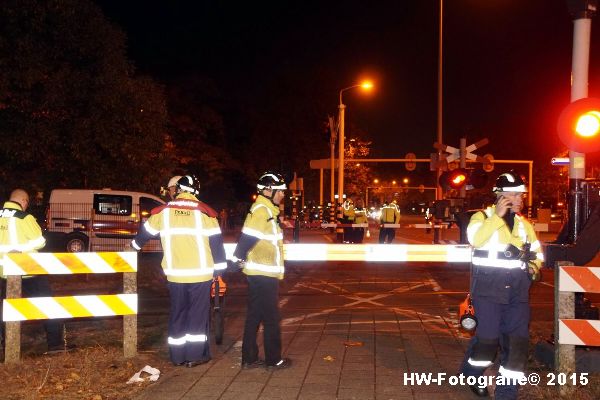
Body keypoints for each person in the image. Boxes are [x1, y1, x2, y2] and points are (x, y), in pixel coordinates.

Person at [459, 172, 543, 399]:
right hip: (488, 290)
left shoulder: (525, 225)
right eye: (515, 194)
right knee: (488, 340)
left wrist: (533, 268)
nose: (520, 199)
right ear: (500, 196)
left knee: (517, 345)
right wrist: (497, 216)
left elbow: (537, 254)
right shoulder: (481, 217)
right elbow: (475, 239)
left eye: (521, 195)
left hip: (518, 292)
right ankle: (471, 373)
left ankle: (507, 393)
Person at [129, 175, 227, 368]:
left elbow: (142, 236)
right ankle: (195, 356)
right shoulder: (206, 214)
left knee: (178, 313)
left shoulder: (163, 213)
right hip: (201, 274)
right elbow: (218, 249)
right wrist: (219, 274)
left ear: (178, 190)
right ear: (195, 192)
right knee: (197, 316)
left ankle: (177, 356)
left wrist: (132, 248)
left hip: (175, 275)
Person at [0, 189, 72, 354]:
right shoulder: (24, 217)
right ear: (24, 201)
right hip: (27, 271)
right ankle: (55, 345)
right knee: (48, 305)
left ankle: (5, 344)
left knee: (4, 309)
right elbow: (40, 242)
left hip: (3, 273)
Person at [233, 171, 291, 370]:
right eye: (280, 191)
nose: (283, 194)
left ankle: (249, 358)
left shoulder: (267, 210)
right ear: (268, 190)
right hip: (263, 274)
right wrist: (236, 257)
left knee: (255, 315)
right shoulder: (262, 210)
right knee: (272, 318)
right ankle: (274, 360)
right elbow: (248, 237)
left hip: (259, 272)